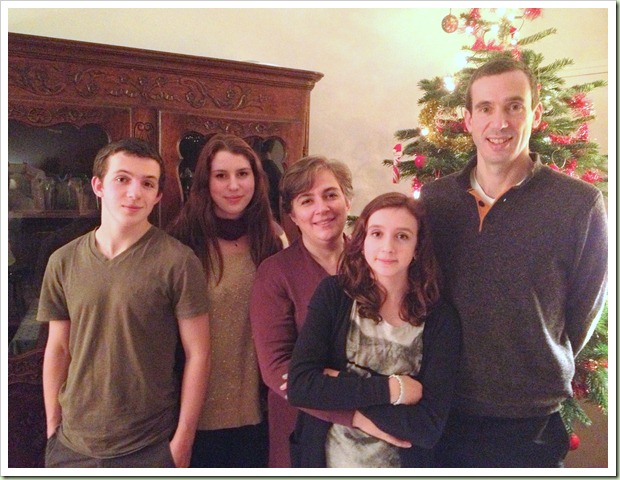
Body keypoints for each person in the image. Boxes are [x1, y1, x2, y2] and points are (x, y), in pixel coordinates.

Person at [421, 57, 608, 468]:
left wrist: (536, 355)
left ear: (535, 114)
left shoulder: (578, 205)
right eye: (486, 108)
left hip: (530, 419)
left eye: (514, 106)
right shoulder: (435, 201)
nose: (499, 122)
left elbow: (583, 311)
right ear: (468, 120)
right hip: (442, 408)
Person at [39, 138, 211, 468]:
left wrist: (183, 441)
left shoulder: (178, 261)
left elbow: (198, 354)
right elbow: (58, 349)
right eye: (122, 179)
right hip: (71, 444)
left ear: (158, 195)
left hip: (150, 444)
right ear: (98, 185)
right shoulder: (63, 261)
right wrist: (52, 427)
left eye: (148, 183)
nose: (135, 193)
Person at [287, 192, 461, 468]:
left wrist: (337, 384)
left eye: (402, 236)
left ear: (417, 247)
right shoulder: (334, 294)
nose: (387, 247)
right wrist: (394, 390)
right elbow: (300, 387)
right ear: (363, 240)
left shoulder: (440, 318)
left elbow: (426, 427)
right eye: (377, 233)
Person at [167, 133, 285, 468]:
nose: (233, 185)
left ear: (256, 179)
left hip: (258, 411)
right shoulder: (182, 243)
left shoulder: (272, 239)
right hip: (192, 415)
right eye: (221, 175)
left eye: (242, 174)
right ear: (205, 182)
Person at [250, 155, 364, 468]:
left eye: (330, 195)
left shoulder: (373, 262)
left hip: (371, 429)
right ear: (292, 215)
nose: (321, 208)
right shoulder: (275, 273)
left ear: (347, 201)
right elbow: (277, 367)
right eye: (306, 200)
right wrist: (355, 413)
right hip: (302, 426)